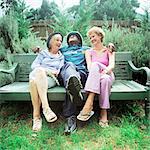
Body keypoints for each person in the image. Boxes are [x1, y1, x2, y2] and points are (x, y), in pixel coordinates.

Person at [77, 26, 115, 128]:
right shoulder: (88, 52)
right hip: (96, 76)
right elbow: (90, 67)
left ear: (100, 36)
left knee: (105, 76)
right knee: (104, 79)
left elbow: (111, 65)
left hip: (107, 73)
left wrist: (105, 71)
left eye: (93, 36)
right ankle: (103, 113)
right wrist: (99, 74)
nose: (92, 39)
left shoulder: (109, 50)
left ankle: (89, 102)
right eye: (90, 38)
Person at [29, 32, 64, 132]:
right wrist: (44, 70)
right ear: (50, 42)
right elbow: (34, 65)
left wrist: (47, 71)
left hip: (50, 79)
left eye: (61, 41)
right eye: (57, 40)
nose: (59, 42)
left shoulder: (61, 57)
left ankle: (36, 117)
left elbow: (58, 71)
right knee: (37, 75)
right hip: (38, 75)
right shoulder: (43, 53)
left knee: (33, 83)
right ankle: (46, 109)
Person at [59, 31, 88, 135]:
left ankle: (70, 118)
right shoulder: (62, 50)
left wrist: (110, 46)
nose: (72, 36)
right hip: (65, 73)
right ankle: (73, 83)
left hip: (81, 74)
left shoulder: (85, 49)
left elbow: (100, 50)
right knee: (69, 69)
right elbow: (50, 51)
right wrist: (38, 50)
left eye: (75, 35)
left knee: (71, 84)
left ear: (80, 40)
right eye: (70, 35)